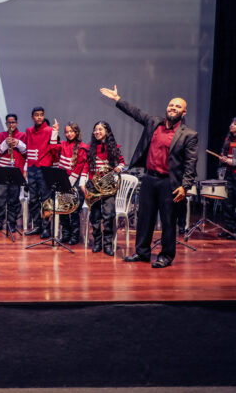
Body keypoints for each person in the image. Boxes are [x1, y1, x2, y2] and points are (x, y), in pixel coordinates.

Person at [100, 85, 198, 268]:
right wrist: (117, 98)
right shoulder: (154, 123)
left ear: (184, 112)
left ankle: (166, 256)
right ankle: (142, 252)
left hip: (170, 182)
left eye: (178, 107)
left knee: (168, 221)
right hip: (149, 179)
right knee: (144, 218)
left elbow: (191, 163)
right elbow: (135, 112)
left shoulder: (189, 135)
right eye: (171, 105)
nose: (173, 109)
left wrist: (185, 186)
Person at [85, 121, 125, 256]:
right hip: (94, 186)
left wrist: (119, 168)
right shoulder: (90, 149)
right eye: (95, 130)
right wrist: (83, 183)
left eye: (100, 129)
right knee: (95, 216)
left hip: (108, 186)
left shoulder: (114, 147)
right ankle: (97, 242)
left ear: (107, 131)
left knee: (108, 215)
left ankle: (108, 244)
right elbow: (86, 167)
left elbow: (122, 162)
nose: (97, 132)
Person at [24, 107, 59, 237]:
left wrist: (55, 133)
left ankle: (46, 228)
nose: (39, 117)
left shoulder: (50, 130)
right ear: (32, 117)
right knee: (33, 200)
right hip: (32, 169)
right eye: (36, 115)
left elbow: (55, 150)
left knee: (46, 200)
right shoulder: (29, 131)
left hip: (45, 169)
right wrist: (26, 169)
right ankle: (37, 226)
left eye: (41, 115)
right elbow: (28, 151)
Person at [52, 122, 89, 245]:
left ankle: (75, 235)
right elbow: (52, 149)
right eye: (66, 132)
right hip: (63, 179)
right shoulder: (62, 144)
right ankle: (66, 234)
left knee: (73, 210)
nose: (69, 134)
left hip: (75, 180)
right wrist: (55, 131)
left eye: (71, 131)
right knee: (63, 208)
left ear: (76, 132)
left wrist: (70, 182)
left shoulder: (82, 147)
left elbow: (79, 166)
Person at [0, 114, 27, 234]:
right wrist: (5, 143)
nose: (11, 125)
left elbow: (27, 152)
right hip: (2, 169)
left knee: (14, 199)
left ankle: (12, 223)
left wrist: (18, 144)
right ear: (6, 124)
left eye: (13, 122)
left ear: (17, 123)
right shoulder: (0, 136)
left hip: (16, 170)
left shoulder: (23, 136)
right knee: (0, 198)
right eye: (9, 123)